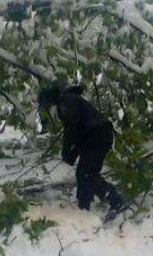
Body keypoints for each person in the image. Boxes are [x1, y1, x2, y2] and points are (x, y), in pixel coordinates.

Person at [38, 80, 125, 218]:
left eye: (45, 103)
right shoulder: (68, 100)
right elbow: (79, 130)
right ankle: (84, 203)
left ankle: (115, 199)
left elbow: (71, 127)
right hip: (94, 137)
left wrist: (68, 151)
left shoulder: (67, 102)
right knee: (83, 172)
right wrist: (72, 152)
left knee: (88, 173)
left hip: (99, 136)